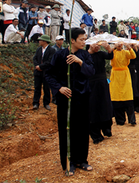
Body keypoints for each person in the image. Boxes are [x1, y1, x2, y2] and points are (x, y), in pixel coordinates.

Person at [46, 27, 95, 176]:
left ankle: (82, 160)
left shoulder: (85, 55)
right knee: (67, 130)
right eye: (81, 39)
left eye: (84, 39)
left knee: (82, 129)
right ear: (72, 40)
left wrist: (80, 62)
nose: (84, 42)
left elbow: (91, 72)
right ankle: (69, 162)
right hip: (66, 99)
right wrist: (59, 88)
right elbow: (49, 74)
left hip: (82, 98)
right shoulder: (60, 55)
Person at [88, 42, 114, 144]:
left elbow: (110, 56)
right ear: (90, 44)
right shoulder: (85, 55)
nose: (97, 47)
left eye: (99, 46)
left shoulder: (101, 54)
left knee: (105, 105)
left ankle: (107, 128)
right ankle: (95, 134)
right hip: (91, 84)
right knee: (93, 107)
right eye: (96, 45)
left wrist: (108, 49)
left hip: (102, 83)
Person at [109, 42, 137, 125]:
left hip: (125, 74)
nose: (119, 45)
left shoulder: (125, 52)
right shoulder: (113, 52)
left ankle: (132, 119)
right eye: (117, 44)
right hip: (115, 75)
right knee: (116, 96)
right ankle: (120, 120)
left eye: (120, 44)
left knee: (127, 95)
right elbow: (108, 55)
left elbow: (133, 56)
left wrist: (129, 48)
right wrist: (113, 48)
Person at [32, 34, 56, 110]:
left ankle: (46, 103)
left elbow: (50, 61)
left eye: (40, 40)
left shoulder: (52, 50)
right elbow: (35, 58)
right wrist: (37, 66)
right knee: (37, 88)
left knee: (46, 88)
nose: (39, 41)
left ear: (45, 41)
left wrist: (41, 67)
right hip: (38, 72)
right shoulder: (39, 49)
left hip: (47, 72)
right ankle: (36, 103)